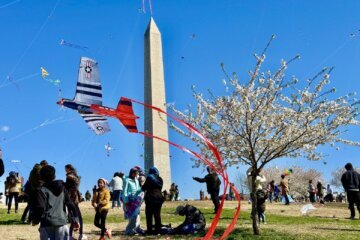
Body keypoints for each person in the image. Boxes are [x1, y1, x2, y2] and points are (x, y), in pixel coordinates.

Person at [31, 165, 79, 240]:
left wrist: (35, 220)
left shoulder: (40, 190)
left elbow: (40, 207)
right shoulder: (63, 188)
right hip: (61, 223)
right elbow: (70, 203)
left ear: (41, 177)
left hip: (46, 224)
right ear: (54, 175)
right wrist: (75, 219)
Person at [141, 167, 164, 235]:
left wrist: (141, 184)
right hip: (159, 198)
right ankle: (158, 231)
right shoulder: (160, 179)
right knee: (157, 215)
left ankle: (150, 231)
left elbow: (144, 188)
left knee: (149, 215)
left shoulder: (149, 178)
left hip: (151, 198)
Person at [123, 167, 144, 235]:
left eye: (136, 173)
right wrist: (126, 201)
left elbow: (138, 190)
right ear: (131, 173)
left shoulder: (136, 180)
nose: (136, 175)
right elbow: (124, 191)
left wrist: (142, 188)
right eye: (135, 173)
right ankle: (128, 230)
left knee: (137, 214)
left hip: (136, 199)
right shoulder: (127, 180)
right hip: (129, 199)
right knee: (133, 215)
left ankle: (136, 228)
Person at [65, 164, 84, 240]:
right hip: (71, 197)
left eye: (66, 169)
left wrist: (69, 177)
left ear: (69, 168)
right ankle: (73, 235)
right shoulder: (71, 175)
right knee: (74, 217)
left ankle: (80, 235)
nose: (65, 170)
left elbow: (76, 182)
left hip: (72, 197)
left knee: (77, 217)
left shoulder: (71, 176)